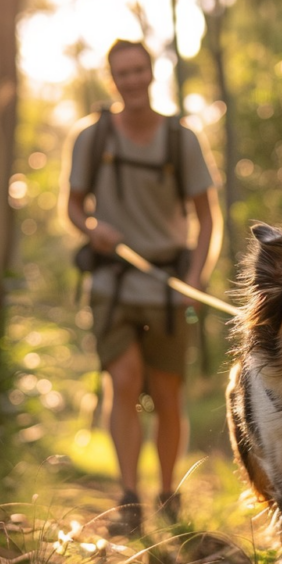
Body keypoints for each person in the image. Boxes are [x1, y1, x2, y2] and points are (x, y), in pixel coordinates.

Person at [63, 39, 222, 535]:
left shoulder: (182, 140)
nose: (131, 80)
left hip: (169, 287)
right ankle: (129, 496)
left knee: (168, 393)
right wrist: (93, 230)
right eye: (121, 74)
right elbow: (72, 206)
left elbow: (207, 219)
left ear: (152, 75)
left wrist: (193, 281)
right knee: (125, 380)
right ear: (112, 80)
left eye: (138, 71)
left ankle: (168, 491)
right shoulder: (92, 137)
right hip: (112, 285)